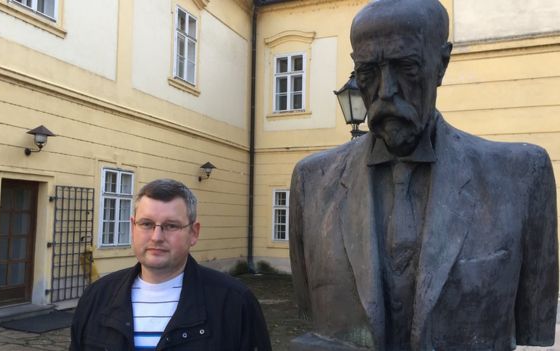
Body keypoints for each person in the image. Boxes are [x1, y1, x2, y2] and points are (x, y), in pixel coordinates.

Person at [289, 0, 558, 350]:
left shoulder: (522, 176)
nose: (385, 91)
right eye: (368, 71)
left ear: (441, 64)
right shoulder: (311, 183)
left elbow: (533, 322)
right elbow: (314, 314)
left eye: (406, 67)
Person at [71, 178, 271, 350]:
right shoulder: (97, 297)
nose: (157, 237)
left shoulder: (234, 302)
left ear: (194, 233)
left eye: (171, 226)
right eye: (147, 224)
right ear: (133, 227)